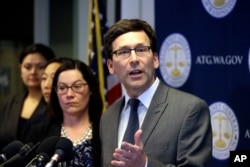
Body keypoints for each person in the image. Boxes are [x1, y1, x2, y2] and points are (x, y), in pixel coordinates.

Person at [100, 19, 212, 167]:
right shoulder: (108, 118)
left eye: (141, 50)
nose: (134, 59)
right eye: (124, 52)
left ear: (155, 60)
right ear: (111, 66)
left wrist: (145, 164)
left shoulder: (190, 110)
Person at [26, 59, 103, 167]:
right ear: (56, 92)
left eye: (77, 86)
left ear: (90, 89)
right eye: (62, 88)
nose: (69, 94)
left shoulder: (105, 131)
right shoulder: (40, 132)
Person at [0, 43, 56, 149]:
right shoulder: (8, 103)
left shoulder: (56, 105)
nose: (33, 72)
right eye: (27, 67)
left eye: (40, 67)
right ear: (20, 69)